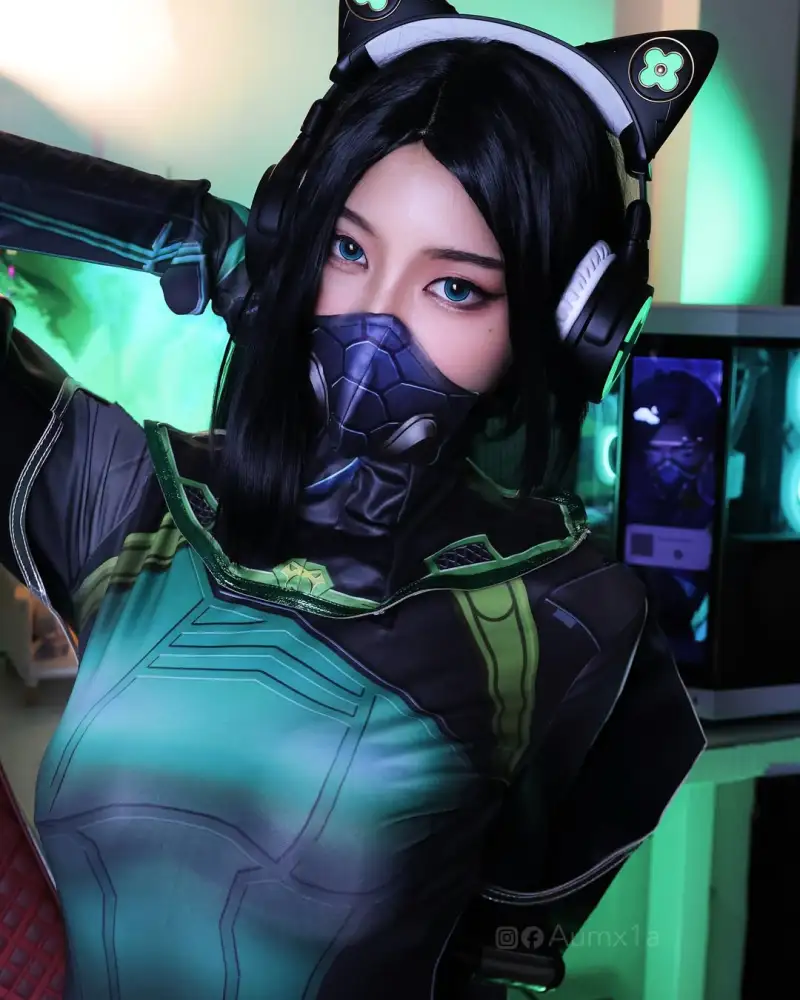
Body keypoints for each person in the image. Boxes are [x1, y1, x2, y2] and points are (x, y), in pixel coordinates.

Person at [0, 2, 718, 998]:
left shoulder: (573, 617)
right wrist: (192, 231)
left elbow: (500, 957)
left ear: (569, 322)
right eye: (346, 250)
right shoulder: (130, 496)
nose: (372, 324)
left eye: (455, 288)